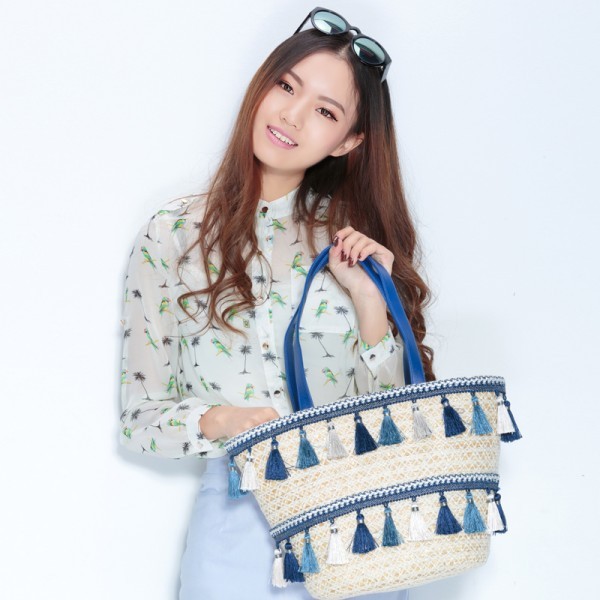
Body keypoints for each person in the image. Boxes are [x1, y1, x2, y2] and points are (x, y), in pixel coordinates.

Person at [119, 7, 435, 599]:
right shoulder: (172, 237)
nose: (292, 114)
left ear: (349, 141)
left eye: (326, 111)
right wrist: (224, 421)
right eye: (287, 87)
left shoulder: (351, 246)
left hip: (357, 524)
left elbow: (401, 424)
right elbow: (140, 419)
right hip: (237, 519)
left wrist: (371, 300)